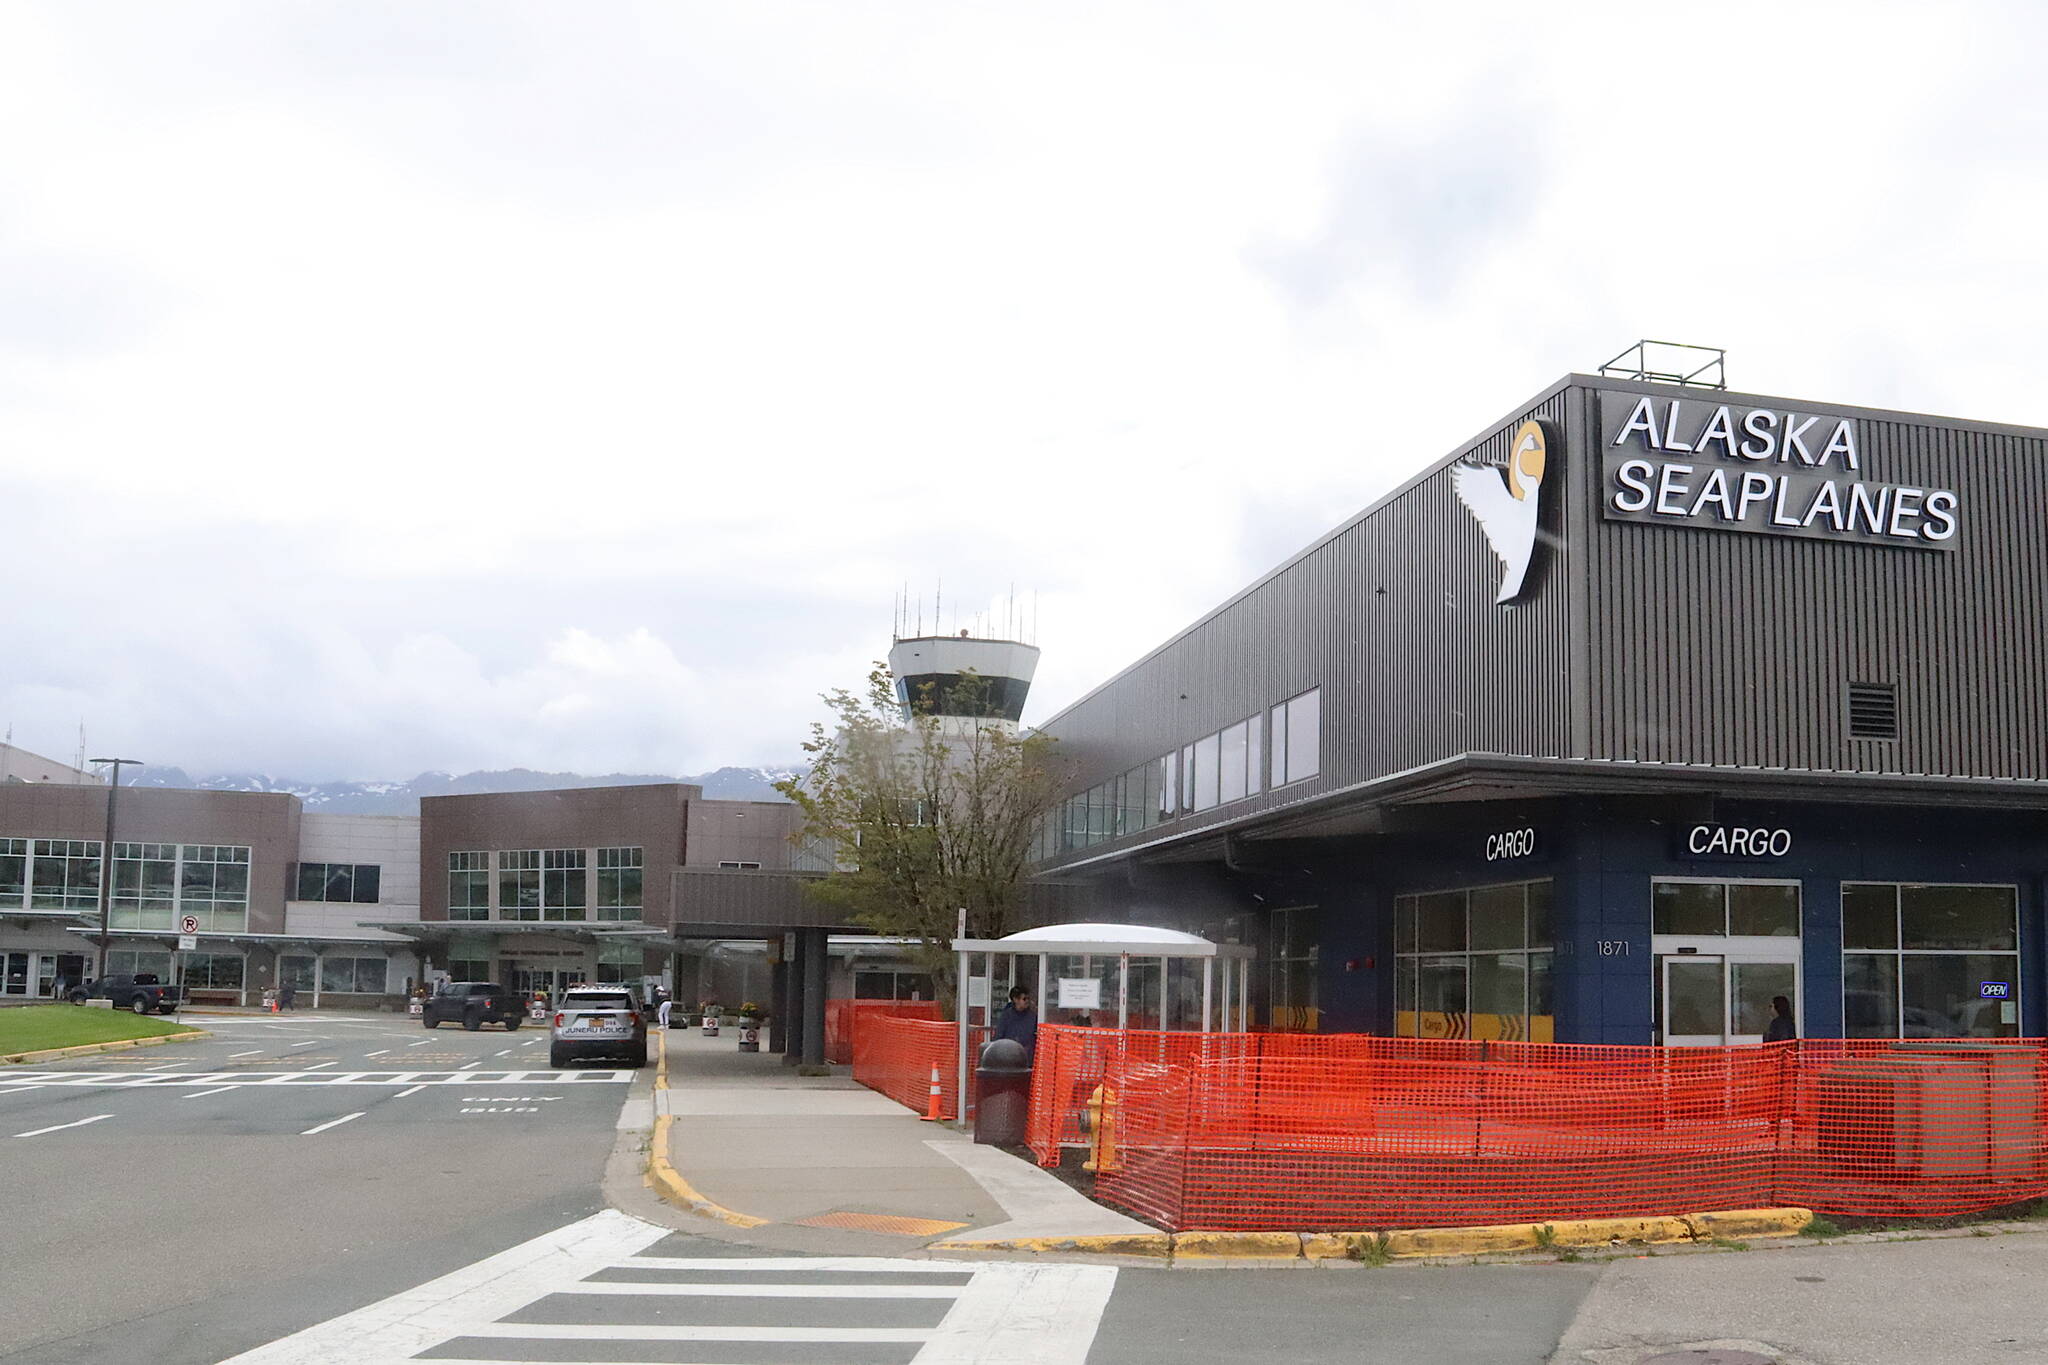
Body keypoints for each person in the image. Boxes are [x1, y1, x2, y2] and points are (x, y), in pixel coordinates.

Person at [993, 985, 1038, 1062]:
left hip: (1027, 1058)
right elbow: (999, 1035)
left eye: (1028, 998)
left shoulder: (1033, 1017)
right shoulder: (1006, 1016)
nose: (1027, 1001)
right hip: (1008, 1057)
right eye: (1024, 999)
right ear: (1015, 999)